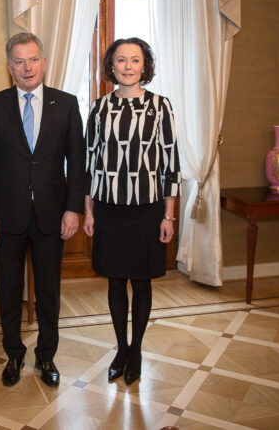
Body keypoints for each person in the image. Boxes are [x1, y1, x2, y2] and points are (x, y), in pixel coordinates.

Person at [0, 32, 84, 388]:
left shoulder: (66, 104)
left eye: (33, 59)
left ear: (44, 62)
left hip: (53, 215)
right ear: (9, 67)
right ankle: (14, 354)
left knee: (49, 292)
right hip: (6, 218)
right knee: (9, 291)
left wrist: (73, 210)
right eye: (19, 61)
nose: (27, 67)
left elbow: (77, 164)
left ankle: (46, 356)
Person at [83, 37, 181, 386]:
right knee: (114, 281)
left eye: (134, 60)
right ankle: (121, 349)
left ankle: (136, 350)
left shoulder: (160, 106)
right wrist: (89, 212)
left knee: (141, 283)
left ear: (145, 66)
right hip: (108, 210)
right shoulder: (98, 108)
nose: (127, 66)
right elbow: (90, 162)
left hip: (147, 210)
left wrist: (168, 215)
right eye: (121, 60)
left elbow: (171, 163)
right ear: (111, 66)